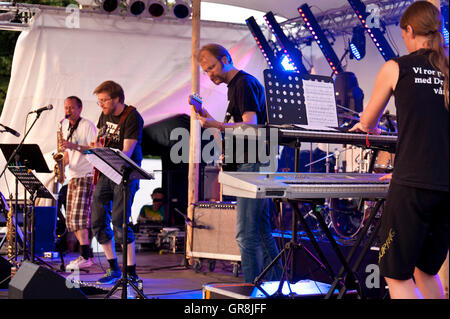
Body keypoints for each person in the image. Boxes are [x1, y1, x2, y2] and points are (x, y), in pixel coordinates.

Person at [350, 1, 449, 299]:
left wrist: (368, 127)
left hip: (413, 187)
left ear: (408, 30)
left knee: (397, 275)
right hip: (445, 187)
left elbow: (367, 122)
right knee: (426, 271)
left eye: (403, 33)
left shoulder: (397, 67)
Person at [196, 43, 282, 283]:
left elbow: (251, 125)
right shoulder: (237, 86)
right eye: (206, 71)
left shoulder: (242, 84)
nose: (210, 73)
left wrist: (217, 125)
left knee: (245, 234)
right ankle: (274, 286)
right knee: (262, 230)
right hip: (254, 162)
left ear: (226, 59)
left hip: (252, 163)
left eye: (212, 67)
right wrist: (210, 119)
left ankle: (252, 290)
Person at [89, 80, 144, 285]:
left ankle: (131, 273)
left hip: (124, 175)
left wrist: (103, 152)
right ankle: (113, 269)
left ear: (117, 99)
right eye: (99, 101)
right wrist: (95, 147)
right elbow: (101, 138)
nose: (101, 105)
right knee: (97, 220)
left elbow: (127, 152)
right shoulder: (104, 114)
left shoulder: (132, 117)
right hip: (105, 172)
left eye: (104, 100)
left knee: (120, 223)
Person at [60, 96, 97, 271]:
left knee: (80, 217)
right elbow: (67, 154)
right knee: (71, 219)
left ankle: (86, 256)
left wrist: (73, 146)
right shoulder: (64, 125)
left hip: (87, 174)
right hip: (73, 175)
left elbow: (94, 149)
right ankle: (85, 255)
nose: (68, 111)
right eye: (66, 108)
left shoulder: (87, 125)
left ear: (80, 108)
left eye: (72, 108)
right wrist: (60, 163)